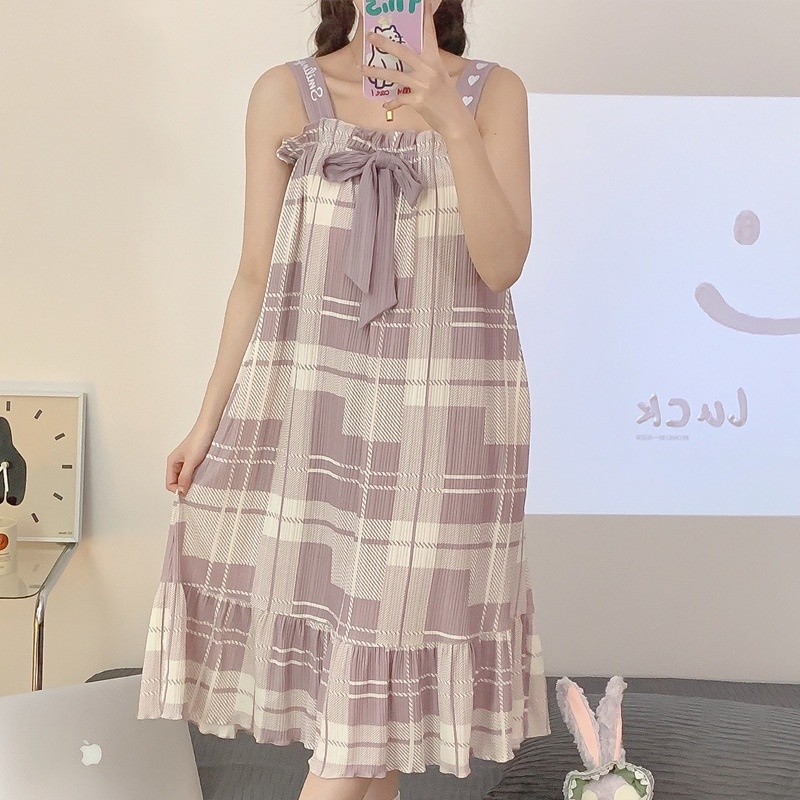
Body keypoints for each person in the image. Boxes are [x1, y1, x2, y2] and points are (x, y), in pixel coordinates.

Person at [137, 1, 551, 799]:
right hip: (318, 423)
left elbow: (501, 265)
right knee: (371, 735)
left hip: (446, 432)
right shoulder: (285, 94)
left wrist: (450, 123)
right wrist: (206, 421)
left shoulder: (493, 95)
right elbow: (254, 273)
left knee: (361, 718)